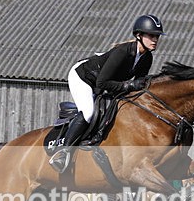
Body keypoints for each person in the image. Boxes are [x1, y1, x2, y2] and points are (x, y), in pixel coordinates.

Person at [49, 14, 165, 173]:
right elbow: (102, 83)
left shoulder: (147, 58)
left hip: (105, 83)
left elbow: (137, 87)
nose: (155, 40)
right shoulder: (122, 52)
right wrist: (129, 84)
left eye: (157, 36)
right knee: (88, 112)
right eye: (151, 35)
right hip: (84, 77)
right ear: (139, 35)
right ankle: (62, 153)